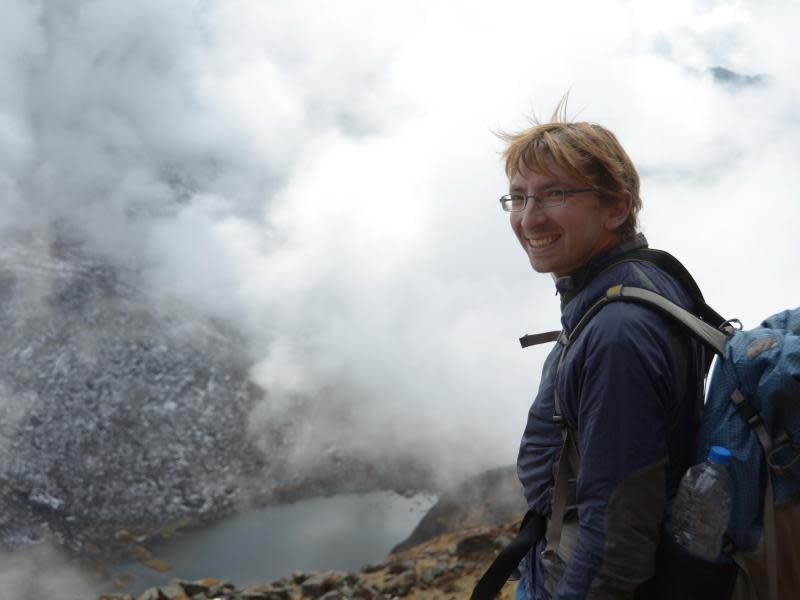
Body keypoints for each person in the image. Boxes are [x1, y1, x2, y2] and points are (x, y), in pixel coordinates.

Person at [500, 106, 706, 599]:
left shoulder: (619, 332)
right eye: (518, 197)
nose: (529, 218)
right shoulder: (631, 284)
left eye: (554, 194)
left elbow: (615, 536)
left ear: (615, 208)